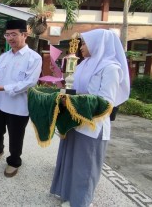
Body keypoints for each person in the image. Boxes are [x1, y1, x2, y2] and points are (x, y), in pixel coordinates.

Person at [50, 29, 130, 207]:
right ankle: (69, 196)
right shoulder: (84, 64)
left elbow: (106, 102)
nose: (81, 47)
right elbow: (75, 90)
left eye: (84, 43)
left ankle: (81, 203)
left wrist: (74, 101)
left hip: (93, 126)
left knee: (85, 168)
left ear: (98, 44)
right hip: (74, 122)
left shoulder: (110, 68)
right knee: (71, 162)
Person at [0, 19, 42, 177]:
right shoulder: (4, 56)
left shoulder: (33, 58)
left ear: (25, 35)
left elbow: (29, 83)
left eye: (13, 34)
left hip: (18, 106)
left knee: (16, 135)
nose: (10, 38)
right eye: (7, 35)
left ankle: (14, 161)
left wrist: (2, 88)